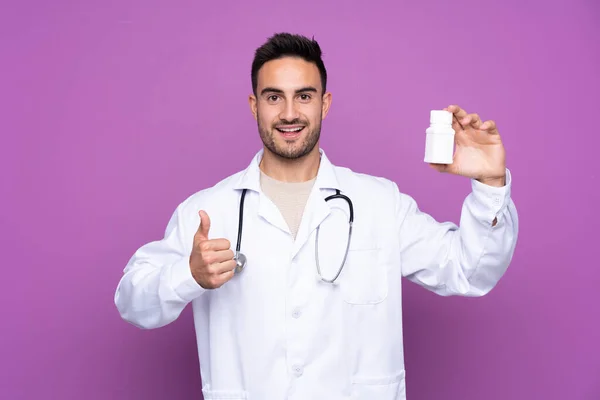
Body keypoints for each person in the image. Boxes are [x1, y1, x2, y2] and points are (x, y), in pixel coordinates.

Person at [114, 32, 518, 400]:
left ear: (325, 103)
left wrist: (489, 182)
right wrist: (188, 274)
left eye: (304, 96)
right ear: (255, 105)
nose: (290, 113)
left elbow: (470, 271)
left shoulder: (380, 203)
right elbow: (133, 301)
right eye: (274, 97)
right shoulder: (209, 210)